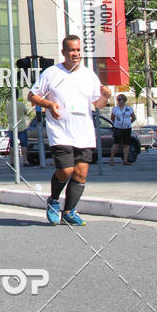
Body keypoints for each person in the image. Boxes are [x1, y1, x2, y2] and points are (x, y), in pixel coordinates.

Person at [28, 35, 111, 226]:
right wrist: (49, 105)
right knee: (66, 170)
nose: (75, 54)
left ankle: (69, 212)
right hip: (60, 131)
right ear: (63, 52)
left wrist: (106, 97)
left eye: (78, 50)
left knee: (81, 173)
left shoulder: (89, 75)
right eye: (72, 50)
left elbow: (97, 104)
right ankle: (53, 200)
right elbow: (32, 96)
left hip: (84, 132)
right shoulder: (51, 73)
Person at [6, 88, 30, 168]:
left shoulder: (8, 105)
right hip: (21, 127)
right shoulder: (21, 104)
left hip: (12, 127)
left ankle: (12, 161)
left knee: (12, 145)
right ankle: (25, 161)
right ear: (17, 95)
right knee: (24, 144)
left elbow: (7, 114)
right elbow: (26, 112)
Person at [110, 94, 136, 165]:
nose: (118, 101)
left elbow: (133, 117)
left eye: (119, 99)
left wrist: (128, 122)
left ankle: (125, 160)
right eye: (117, 99)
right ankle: (112, 159)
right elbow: (112, 117)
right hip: (118, 128)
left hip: (127, 128)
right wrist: (116, 123)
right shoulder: (115, 109)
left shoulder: (129, 108)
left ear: (124, 100)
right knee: (116, 144)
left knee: (126, 144)